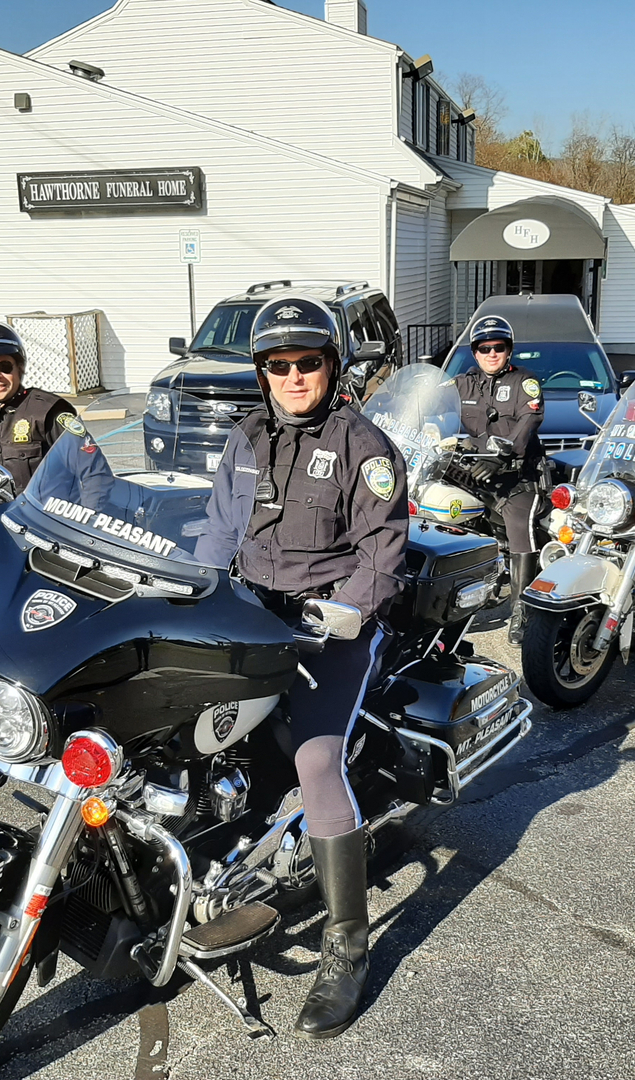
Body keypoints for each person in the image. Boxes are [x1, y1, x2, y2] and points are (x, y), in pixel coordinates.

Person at [196, 296, 408, 1039]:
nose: (292, 377)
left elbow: (382, 553)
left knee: (317, 761)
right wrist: (190, 595)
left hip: (334, 627)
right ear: (261, 372)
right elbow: (218, 530)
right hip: (257, 616)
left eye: (307, 363)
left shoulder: (363, 446)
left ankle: (347, 945)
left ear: (332, 365)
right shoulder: (246, 437)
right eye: (277, 365)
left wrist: (344, 612)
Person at [451, 314, 545, 644]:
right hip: (472, 473)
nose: (491, 353)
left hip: (516, 476)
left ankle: (521, 610)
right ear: (474, 352)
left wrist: (500, 456)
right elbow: (430, 407)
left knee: (519, 528)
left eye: (499, 347)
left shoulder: (524, 382)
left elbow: (528, 421)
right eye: (484, 348)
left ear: (509, 350)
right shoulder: (462, 384)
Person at [0, 322, 79, 492]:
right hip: (5, 507)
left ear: (19, 368)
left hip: (49, 507)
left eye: (4, 367)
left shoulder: (47, 412)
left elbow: (92, 471)